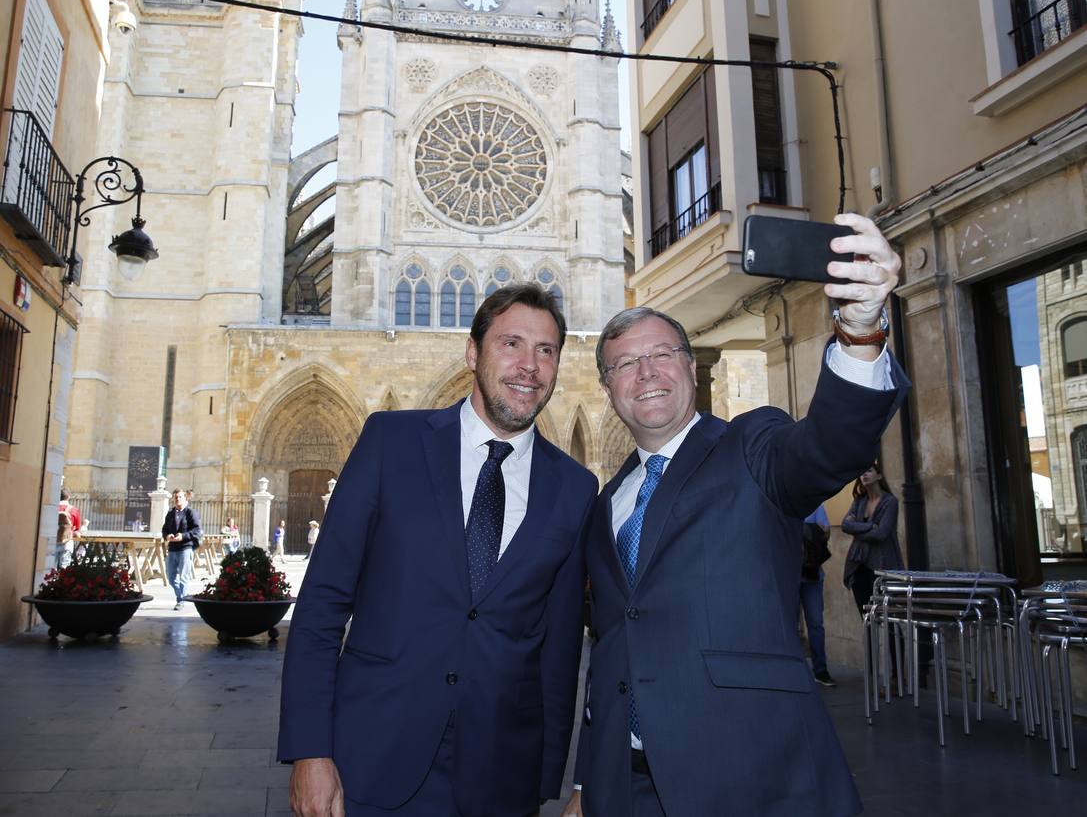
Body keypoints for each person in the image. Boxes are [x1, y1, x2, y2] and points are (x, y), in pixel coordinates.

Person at [565, 213, 909, 817]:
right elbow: (616, 642)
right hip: (628, 784)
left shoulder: (752, 446)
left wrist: (859, 331)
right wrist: (591, 782)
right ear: (607, 389)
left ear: (691, 367)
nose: (645, 373)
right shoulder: (606, 503)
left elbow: (829, 446)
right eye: (624, 364)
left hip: (752, 772)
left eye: (662, 354)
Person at [279, 284, 598, 817]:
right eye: (511, 344)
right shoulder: (391, 442)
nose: (530, 366)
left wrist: (544, 781)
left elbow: (560, 650)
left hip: (501, 779)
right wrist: (310, 749)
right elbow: (322, 604)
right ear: (473, 352)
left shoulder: (574, 487)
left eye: (546, 351)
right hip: (372, 760)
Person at [842, 463, 904, 613]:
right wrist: (870, 526)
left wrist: (856, 527)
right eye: (861, 472)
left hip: (881, 565)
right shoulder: (859, 502)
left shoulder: (890, 502)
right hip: (858, 564)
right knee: (867, 617)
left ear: (879, 476)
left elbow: (881, 533)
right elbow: (845, 525)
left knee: (887, 616)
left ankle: (896, 638)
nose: (864, 474)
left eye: (869, 471)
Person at [801, 504, 835, 687]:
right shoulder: (781, 501)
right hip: (789, 573)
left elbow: (826, 532)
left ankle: (820, 670)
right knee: (790, 624)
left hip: (812, 572)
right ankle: (797, 671)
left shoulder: (815, 505)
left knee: (815, 623)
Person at [162, 489, 201, 610]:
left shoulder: (190, 512)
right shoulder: (170, 513)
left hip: (185, 547)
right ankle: (183, 596)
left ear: (185, 498)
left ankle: (180, 600)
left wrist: (183, 536)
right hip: (172, 548)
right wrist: (167, 536)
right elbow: (165, 529)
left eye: (179, 497)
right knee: (171, 576)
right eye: (175, 497)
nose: (177, 499)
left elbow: (197, 530)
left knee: (184, 576)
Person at [55, 489, 80, 570]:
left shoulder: (53, 508)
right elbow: (77, 528)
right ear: (69, 497)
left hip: (52, 540)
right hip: (67, 541)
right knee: (65, 568)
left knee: (50, 568)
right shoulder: (74, 510)